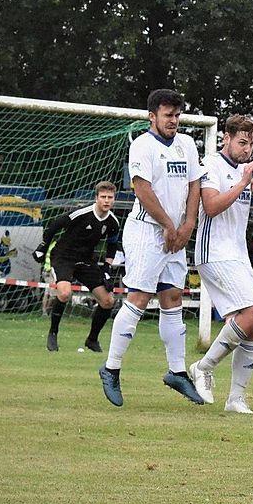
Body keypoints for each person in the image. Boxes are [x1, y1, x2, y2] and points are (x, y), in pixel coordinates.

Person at [98, 89, 205, 407]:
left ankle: (177, 372)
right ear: (152, 116)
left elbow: (195, 185)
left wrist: (188, 225)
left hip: (176, 233)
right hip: (147, 232)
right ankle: (111, 368)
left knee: (172, 297)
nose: (174, 120)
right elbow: (142, 190)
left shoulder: (187, 144)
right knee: (140, 298)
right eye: (168, 115)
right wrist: (170, 226)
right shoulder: (142, 146)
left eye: (177, 115)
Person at [186, 115, 253, 414]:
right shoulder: (210, 165)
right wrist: (243, 183)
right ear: (225, 138)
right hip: (214, 253)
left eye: (251, 144)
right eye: (242, 142)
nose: (247, 149)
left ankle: (236, 399)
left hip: (237, 256)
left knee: (252, 326)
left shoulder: (246, 169)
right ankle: (203, 367)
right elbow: (211, 207)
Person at [32, 181, 120, 353]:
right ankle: (53, 334)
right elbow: (56, 224)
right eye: (103, 197)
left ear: (114, 199)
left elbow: (112, 245)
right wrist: (42, 247)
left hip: (86, 261)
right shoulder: (82, 213)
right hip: (63, 257)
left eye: (110, 197)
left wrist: (107, 269)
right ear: (96, 198)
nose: (106, 200)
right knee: (65, 293)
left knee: (108, 301)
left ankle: (92, 340)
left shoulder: (112, 222)